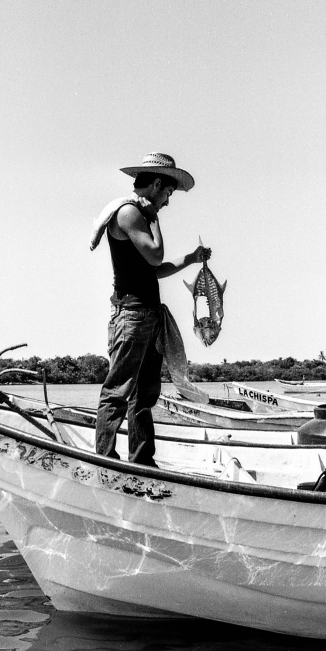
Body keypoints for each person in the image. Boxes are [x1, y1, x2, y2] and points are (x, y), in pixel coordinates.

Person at [90, 152, 210, 466]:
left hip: (148, 316)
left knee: (144, 395)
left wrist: (190, 259)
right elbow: (155, 256)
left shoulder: (139, 215)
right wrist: (154, 219)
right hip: (131, 317)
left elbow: (151, 271)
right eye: (168, 193)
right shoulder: (130, 213)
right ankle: (104, 461)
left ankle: (143, 462)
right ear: (156, 184)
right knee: (118, 391)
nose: (167, 201)